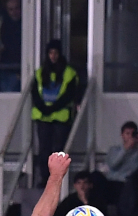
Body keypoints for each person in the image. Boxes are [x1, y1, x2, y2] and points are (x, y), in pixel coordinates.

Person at [30, 40, 81, 184]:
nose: (53, 56)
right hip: (43, 117)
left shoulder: (69, 73)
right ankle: (44, 178)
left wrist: (51, 108)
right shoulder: (40, 72)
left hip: (61, 118)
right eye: (50, 53)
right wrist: (43, 108)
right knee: (44, 150)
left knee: (58, 150)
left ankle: (58, 179)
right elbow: (35, 93)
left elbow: (69, 95)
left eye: (55, 53)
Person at [105, 121, 138, 204]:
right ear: (122, 135)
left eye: (132, 134)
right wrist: (125, 149)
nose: (130, 136)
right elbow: (113, 165)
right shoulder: (114, 149)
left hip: (130, 183)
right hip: (114, 182)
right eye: (127, 133)